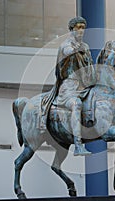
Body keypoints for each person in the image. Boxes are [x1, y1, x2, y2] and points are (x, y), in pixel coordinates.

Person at [41, 16, 96, 156]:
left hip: (85, 85)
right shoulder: (66, 44)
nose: (81, 30)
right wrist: (76, 49)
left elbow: (89, 65)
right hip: (69, 87)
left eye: (83, 27)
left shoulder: (85, 46)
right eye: (78, 27)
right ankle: (78, 144)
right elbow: (67, 52)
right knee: (76, 104)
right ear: (71, 30)